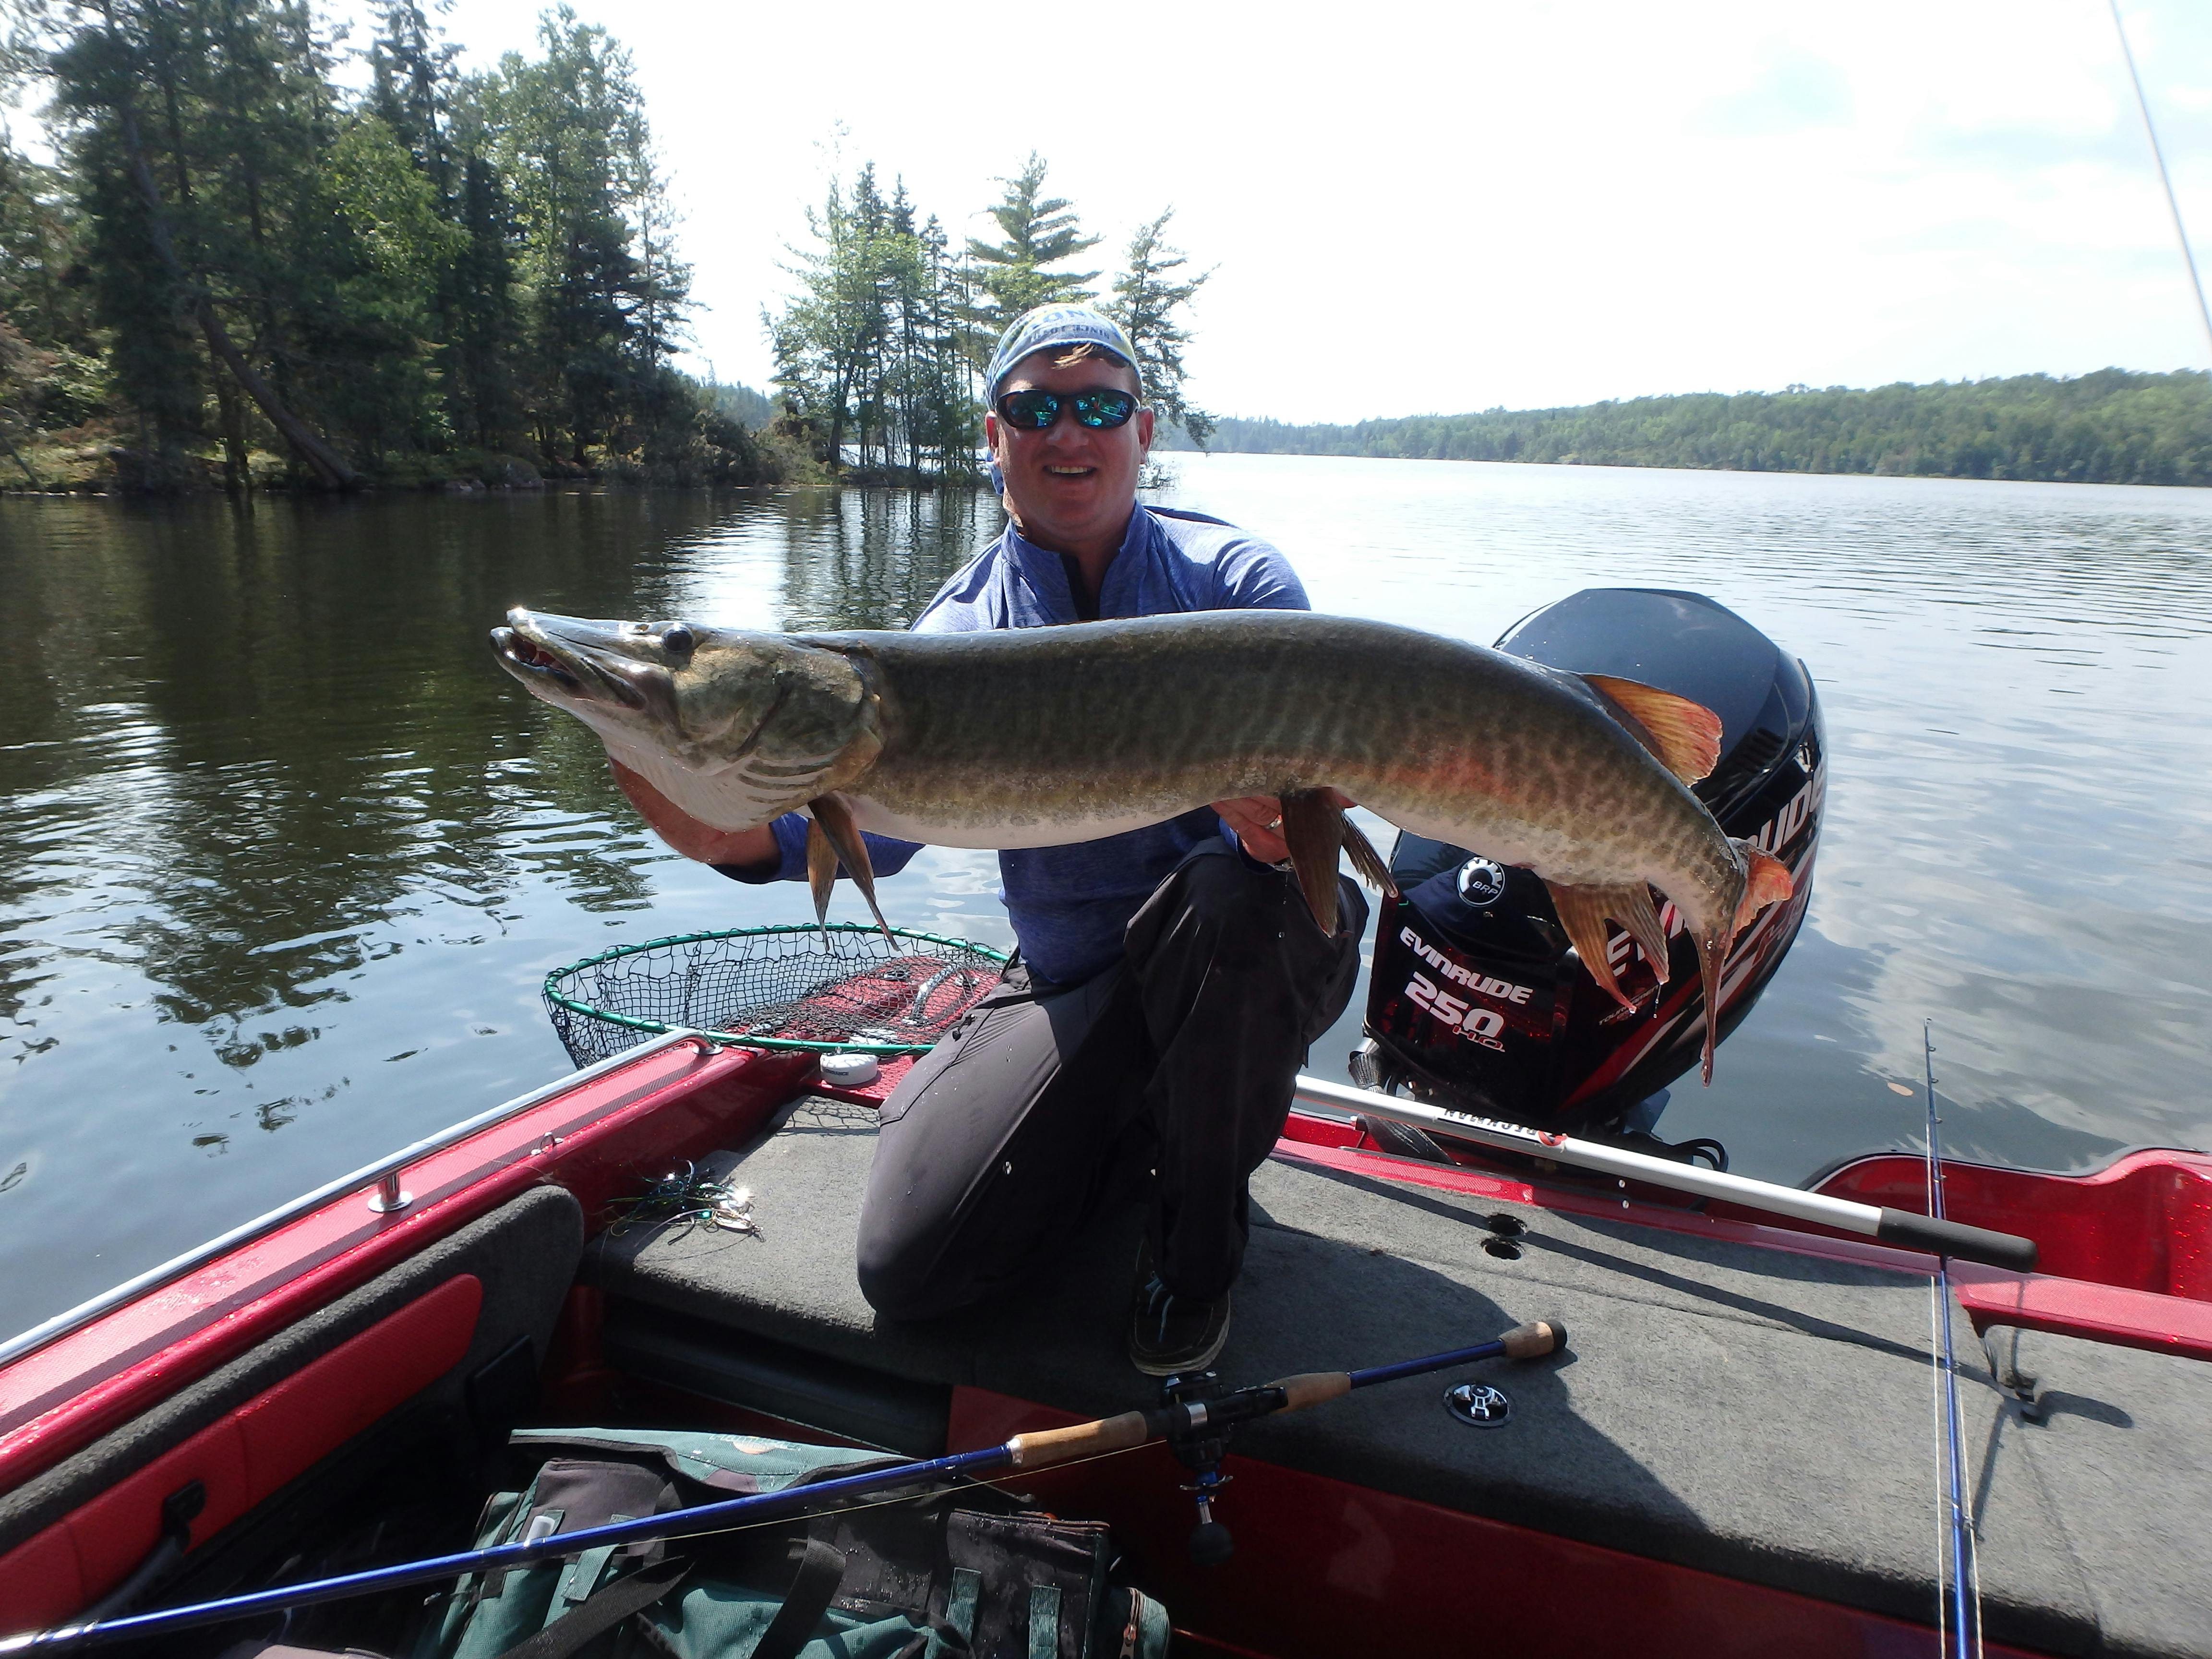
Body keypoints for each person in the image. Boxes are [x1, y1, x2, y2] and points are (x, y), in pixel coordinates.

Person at [611, 304, 1366, 1374]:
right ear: (994, 435)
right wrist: (698, 823)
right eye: (1034, 407)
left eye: (1099, 406)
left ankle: (1194, 1258)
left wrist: (1279, 833)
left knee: (1229, 899)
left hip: (1256, 948)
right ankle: (1138, 1133)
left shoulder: (1237, 584)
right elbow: (860, 837)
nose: (1068, 432)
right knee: (913, 1271)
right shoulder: (955, 635)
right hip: (1074, 984)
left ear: (1143, 431)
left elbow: (1315, 819)